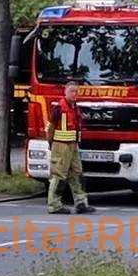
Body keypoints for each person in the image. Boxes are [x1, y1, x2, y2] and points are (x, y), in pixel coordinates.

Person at [46, 81, 92, 215]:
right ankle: (54, 205)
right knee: (59, 175)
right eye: (72, 91)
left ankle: (81, 203)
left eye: (76, 91)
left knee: (77, 173)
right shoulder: (59, 108)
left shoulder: (74, 107)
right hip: (61, 145)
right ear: (65, 91)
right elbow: (50, 128)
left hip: (73, 145)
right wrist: (51, 144)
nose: (74, 94)